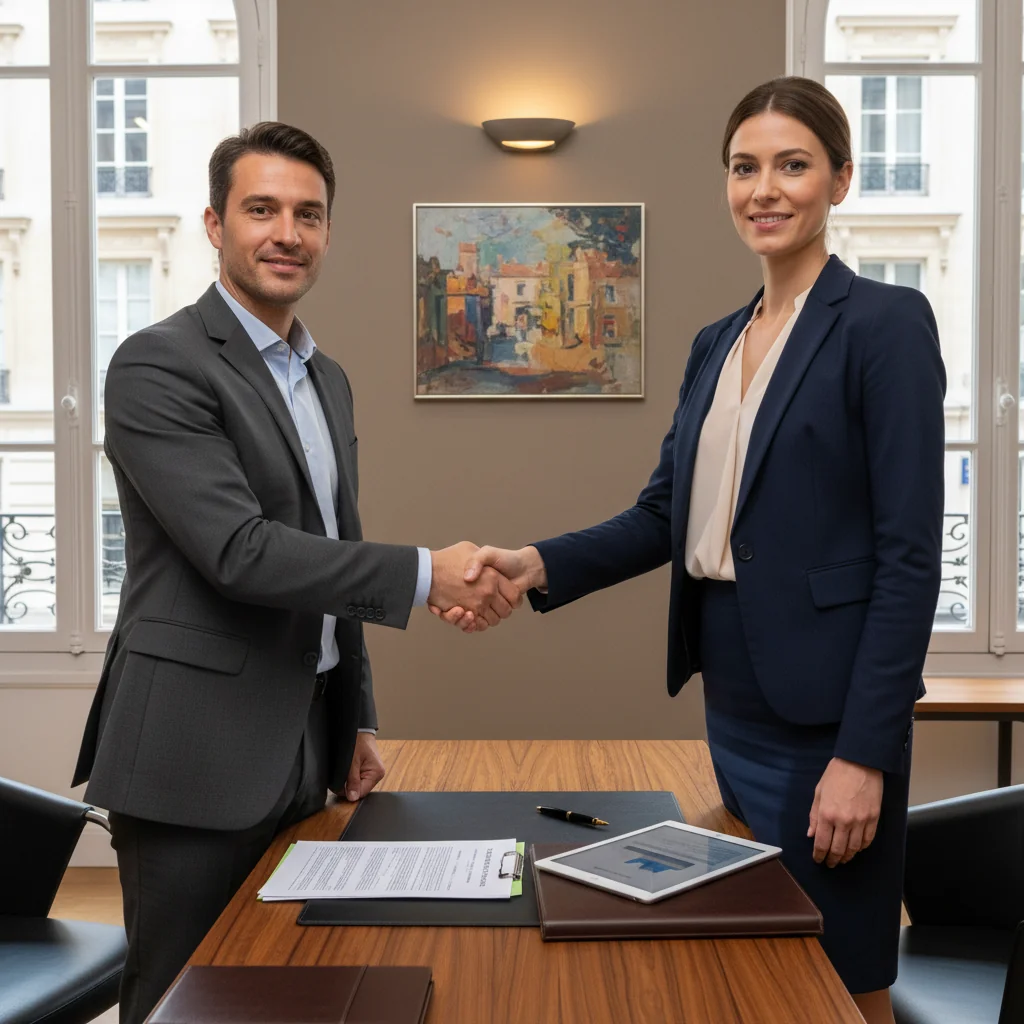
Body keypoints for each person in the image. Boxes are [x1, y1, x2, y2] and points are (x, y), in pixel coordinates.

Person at [437, 78, 945, 1024]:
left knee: (842, 972)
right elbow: (666, 514)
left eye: (792, 165)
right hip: (736, 698)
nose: (765, 189)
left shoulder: (884, 325)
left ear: (840, 179)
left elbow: (910, 559)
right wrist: (532, 562)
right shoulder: (716, 343)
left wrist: (865, 756)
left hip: (830, 715)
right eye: (745, 167)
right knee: (756, 958)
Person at [72, 121, 521, 1024]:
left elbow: (328, 553)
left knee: (287, 992)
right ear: (214, 223)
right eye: (262, 210)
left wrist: (355, 714)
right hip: (191, 757)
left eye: (308, 214)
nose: (287, 233)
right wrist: (431, 571)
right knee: (179, 1001)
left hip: (305, 745)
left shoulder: (327, 379)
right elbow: (240, 552)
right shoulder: (158, 363)